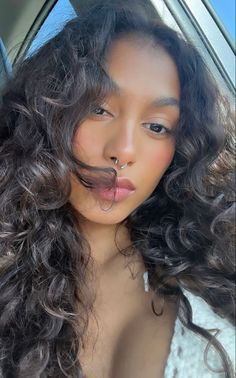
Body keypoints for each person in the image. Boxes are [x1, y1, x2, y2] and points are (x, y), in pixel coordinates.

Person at [0, 1, 235, 377]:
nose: (123, 151)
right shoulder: (10, 263)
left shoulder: (216, 267)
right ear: (49, 111)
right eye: (98, 109)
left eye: (157, 126)